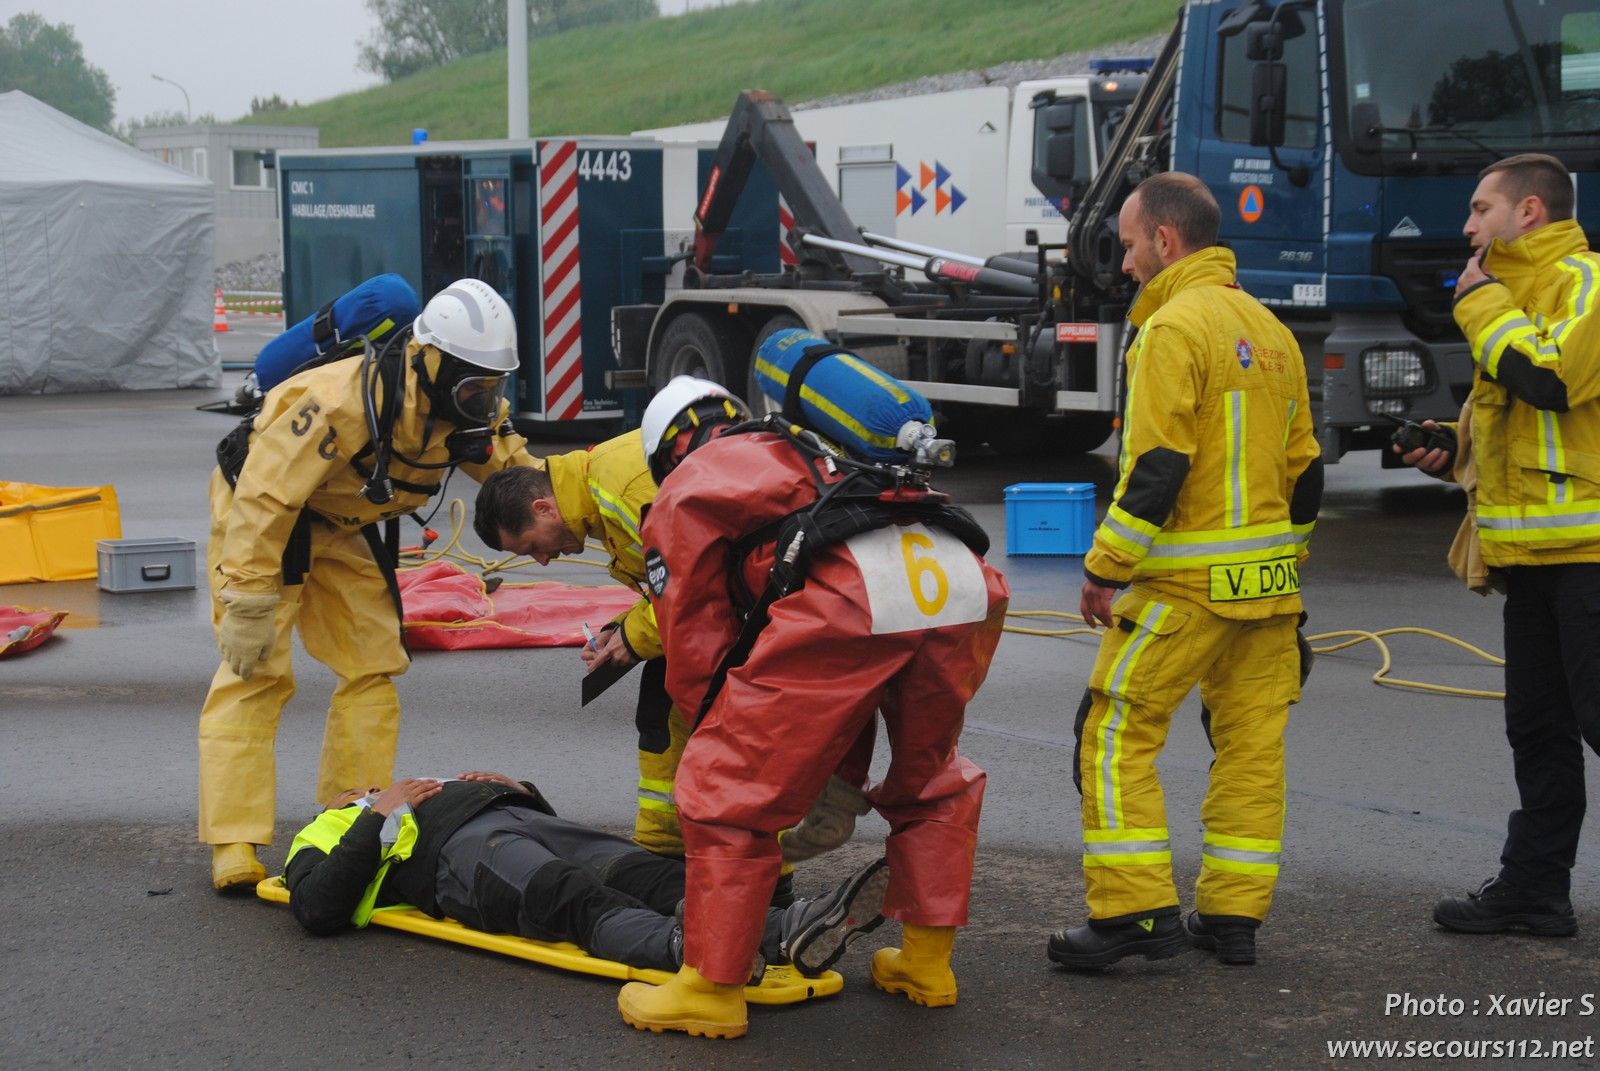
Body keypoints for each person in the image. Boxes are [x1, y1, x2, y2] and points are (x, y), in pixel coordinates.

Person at [614, 377, 1010, 1039]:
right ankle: (926, 964)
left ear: (668, 450)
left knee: (724, 783)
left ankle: (710, 988)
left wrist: (719, 732)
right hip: (959, 578)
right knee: (932, 774)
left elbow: (694, 637)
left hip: (856, 585)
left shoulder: (688, 484)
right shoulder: (805, 448)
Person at [1046, 173, 1322, 970]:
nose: (1126, 263)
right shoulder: (1272, 332)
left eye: (1130, 245)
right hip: (1268, 595)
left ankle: (1134, 914)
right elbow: (1306, 478)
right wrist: (1286, 567)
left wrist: (1103, 566)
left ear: (1166, 241)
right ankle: (1233, 918)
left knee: (1113, 734)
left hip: (1184, 593)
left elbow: (1159, 468)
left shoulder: (1171, 328)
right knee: (1250, 748)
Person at [200, 279, 543, 894]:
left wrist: (571, 508)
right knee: (255, 670)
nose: (483, 399)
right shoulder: (337, 402)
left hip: (337, 517)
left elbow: (518, 477)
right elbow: (265, 497)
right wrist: (247, 598)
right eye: (473, 385)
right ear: (431, 360)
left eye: (493, 386)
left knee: (372, 663)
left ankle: (348, 819)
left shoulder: (462, 410)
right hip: (263, 514)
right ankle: (233, 840)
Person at [473, 389, 875, 880]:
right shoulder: (594, 493)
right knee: (669, 708)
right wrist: (626, 628)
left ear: (543, 509)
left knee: (731, 732)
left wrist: (638, 636)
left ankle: (756, 876)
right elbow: (677, 581)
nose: (542, 561)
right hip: (778, 587)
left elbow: (699, 579)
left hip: (788, 592)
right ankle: (671, 852)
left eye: (532, 547)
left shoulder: (623, 492)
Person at [1397, 153, 1600, 937]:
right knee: (1538, 730)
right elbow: (1522, 419)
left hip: (1588, 557)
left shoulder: (1583, 283)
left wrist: (1481, 308)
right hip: (1529, 562)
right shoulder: (1510, 296)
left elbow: (1551, 379)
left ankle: (1533, 886)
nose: (1467, 225)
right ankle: (1534, 890)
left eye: (1481, 208)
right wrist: (1451, 444)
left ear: (1532, 212)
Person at [284, 770, 890, 981]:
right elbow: (317, 907)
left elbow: (526, 812)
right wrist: (377, 812)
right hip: (456, 856)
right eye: (348, 792)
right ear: (330, 805)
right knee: (568, 895)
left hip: (511, 816)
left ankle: (788, 927)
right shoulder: (320, 833)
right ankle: (693, 947)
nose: (359, 788)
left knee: (644, 873)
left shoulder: (409, 788)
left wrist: (515, 789)